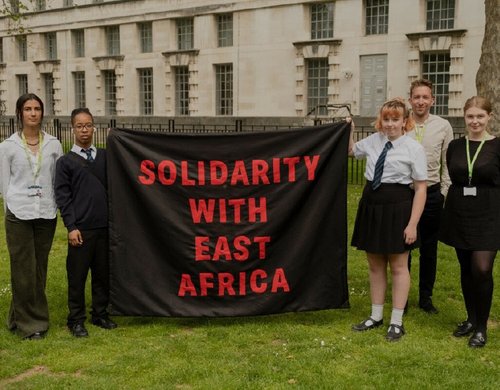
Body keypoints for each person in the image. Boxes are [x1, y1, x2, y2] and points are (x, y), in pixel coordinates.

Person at [349, 98, 427, 341]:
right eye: (386, 119)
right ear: (380, 121)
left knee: (398, 265)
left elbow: (421, 188)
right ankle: (376, 315)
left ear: (405, 121)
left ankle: (396, 320)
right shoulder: (373, 140)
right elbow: (351, 152)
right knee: (374, 263)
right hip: (372, 204)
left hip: (398, 206)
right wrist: (348, 131)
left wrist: (412, 223)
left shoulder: (414, 148)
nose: (391, 124)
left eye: (396, 119)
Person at [0, 93, 63, 340]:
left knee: (38, 268)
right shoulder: (7, 147)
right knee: (22, 268)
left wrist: (55, 205)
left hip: (45, 211)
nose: (33, 113)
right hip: (18, 212)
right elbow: (4, 184)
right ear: (20, 113)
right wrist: (11, 208)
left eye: (37, 108)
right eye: (28, 109)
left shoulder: (54, 145)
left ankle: (16, 316)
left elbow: (57, 179)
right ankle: (32, 325)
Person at [440, 96, 498, 348]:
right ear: (464, 117)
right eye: (470, 116)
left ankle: (482, 328)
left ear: (489, 117)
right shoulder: (454, 146)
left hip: (490, 213)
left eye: (480, 116)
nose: (475, 121)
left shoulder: (497, 146)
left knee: (482, 268)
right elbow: (452, 176)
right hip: (460, 211)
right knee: (466, 267)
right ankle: (471, 319)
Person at [54, 108, 117, 337]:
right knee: (77, 277)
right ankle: (76, 319)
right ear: (73, 129)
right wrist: (71, 227)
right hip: (81, 229)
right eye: (79, 126)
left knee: (102, 275)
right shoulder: (65, 163)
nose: (84, 130)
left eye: (88, 125)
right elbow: (63, 197)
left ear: (94, 128)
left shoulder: (104, 157)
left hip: (103, 227)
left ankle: (100, 314)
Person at [407, 79, 454, 314]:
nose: (421, 102)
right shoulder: (401, 123)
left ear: (432, 100)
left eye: (425, 97)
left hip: (433, 193)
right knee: (402, 247)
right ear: (410, 100)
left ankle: (425, 297)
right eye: (417, 97)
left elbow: (448, 162)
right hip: (405, 193)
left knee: (429, 248)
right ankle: (401, 298)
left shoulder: (443, 126)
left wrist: (444, 193)